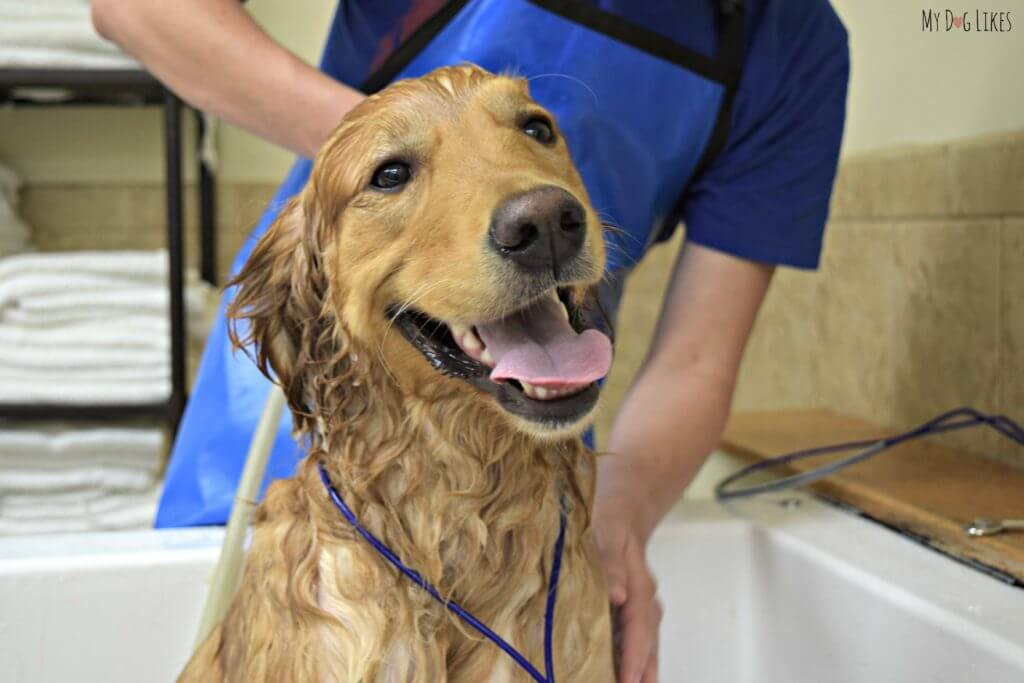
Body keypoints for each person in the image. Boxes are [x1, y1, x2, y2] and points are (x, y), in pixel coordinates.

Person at [94, 1, 849, 681]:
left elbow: (695, 359)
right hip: (292, 400)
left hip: (536, 391)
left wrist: (617, 522)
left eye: (533, 130)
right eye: (395, 173)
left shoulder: (789, 38)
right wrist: (382, 151)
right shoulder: (310, 276)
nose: (529, 203)